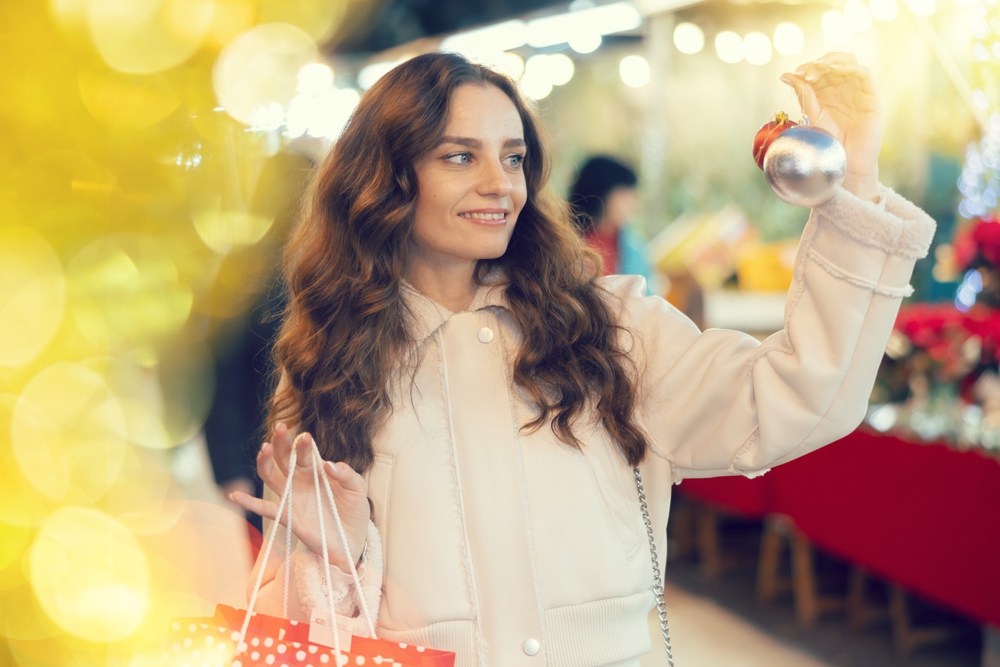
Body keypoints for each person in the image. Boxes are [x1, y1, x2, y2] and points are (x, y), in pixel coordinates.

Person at [231, 51, 936, 667]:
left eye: (513, 157)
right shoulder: (333, 359)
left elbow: (796, 396)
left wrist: (855, 191)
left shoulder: (612, 325)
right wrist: (339, 552)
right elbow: (305, 632)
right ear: (386, 178)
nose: (499, 183)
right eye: (459, 155)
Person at [568, 155, 656, 290]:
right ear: (600, 194)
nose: (633, 205)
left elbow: (648, 300)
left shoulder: (636, 252)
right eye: (625, 196)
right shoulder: (561, 244)